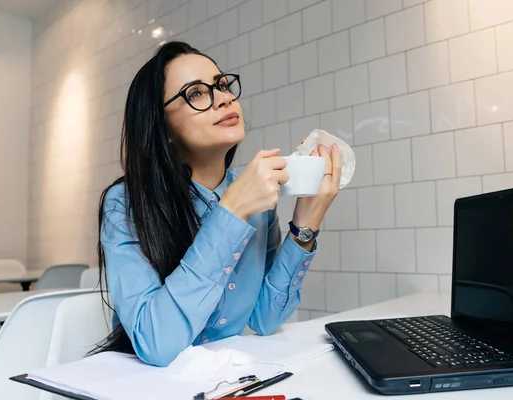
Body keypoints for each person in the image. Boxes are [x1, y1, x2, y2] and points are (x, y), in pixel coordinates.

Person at [91, 41, 343, 367]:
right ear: (161, 125)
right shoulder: (124, 204)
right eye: (195, 93)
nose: (224, 97)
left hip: (225, 380)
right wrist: (232, 212)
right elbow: (156, 344)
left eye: (222, 85)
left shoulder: (257, 198)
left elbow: (265, 318)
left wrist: (304, 227)